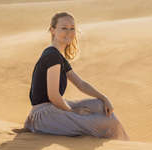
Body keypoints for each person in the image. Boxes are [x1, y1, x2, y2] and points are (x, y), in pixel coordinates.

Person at [23, 11, 129, 140]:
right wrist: (73, 112)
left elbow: (81, 84)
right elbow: (54, 96)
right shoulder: (52, 56)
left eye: (72, 28)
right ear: (52, 30)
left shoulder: (58, 56)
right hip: (44, 116)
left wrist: (104, 98)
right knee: (107, 123)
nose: (69, 32)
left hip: (54, 109)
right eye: (64, 28)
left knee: (100, 106)